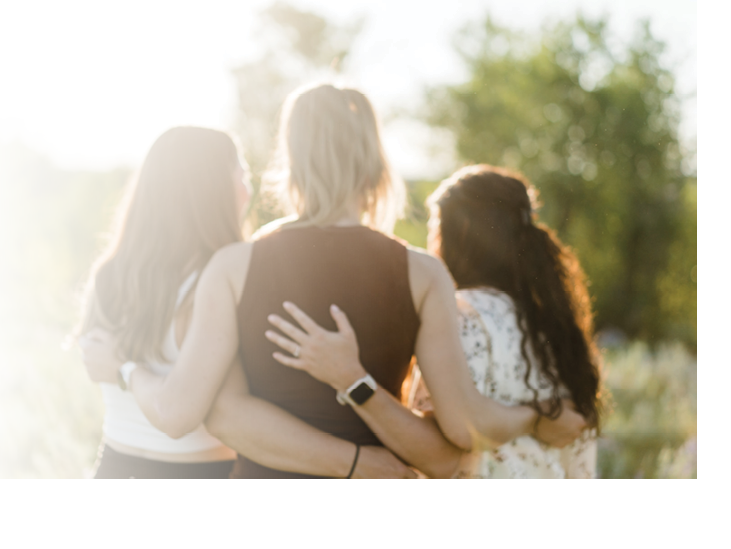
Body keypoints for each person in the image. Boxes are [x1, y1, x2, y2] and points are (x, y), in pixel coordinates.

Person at [82, 84, 587, 478]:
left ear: (292, 164)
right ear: (374, 164)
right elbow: (452, 443)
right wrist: (534, 414)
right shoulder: (422, 272)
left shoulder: (235, 266)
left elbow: (222, 415)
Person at [74, 125, 414, 479]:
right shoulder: (221, 282)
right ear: (216, 190)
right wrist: (125, 370)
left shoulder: (110, 275)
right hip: (200, 475)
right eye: (242, 175)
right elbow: (177, 413)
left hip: (113, 465)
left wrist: (122, 368)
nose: (248, 189)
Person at [268, 164, 603, 478]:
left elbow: (440, 441)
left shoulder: (459, 316)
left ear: (460, 231)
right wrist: (538, 415)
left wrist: (351, 379)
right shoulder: (558, 328)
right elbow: (579, 455)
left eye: (434, 227)